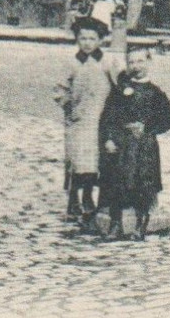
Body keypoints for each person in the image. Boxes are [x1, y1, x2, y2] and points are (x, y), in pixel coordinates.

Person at [98, 47, 170, 241]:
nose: (136, 66)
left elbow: (167, 118)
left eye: (140, 61)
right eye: (132, 62)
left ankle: (140, 225)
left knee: (143, 183)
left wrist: (147, 127)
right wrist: (108, 138)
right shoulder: (119, 91)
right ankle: (116, 224)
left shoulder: (155, 92)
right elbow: (108, 116)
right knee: (117, 182)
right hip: (122, 144)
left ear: (149, 62)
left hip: (144, 146)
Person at [53, 16, 123, 229]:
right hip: (79, 119)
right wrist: (68, 107)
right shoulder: (72, 63)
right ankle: (75, 198)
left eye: (92, 38)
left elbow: (120, 84)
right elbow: (60, 90)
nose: (87, 43)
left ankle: (90, 197)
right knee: (78, 160)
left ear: (101, 40)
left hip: (102, 118)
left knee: (97, 161)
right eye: (82, 38)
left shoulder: (109, 62)